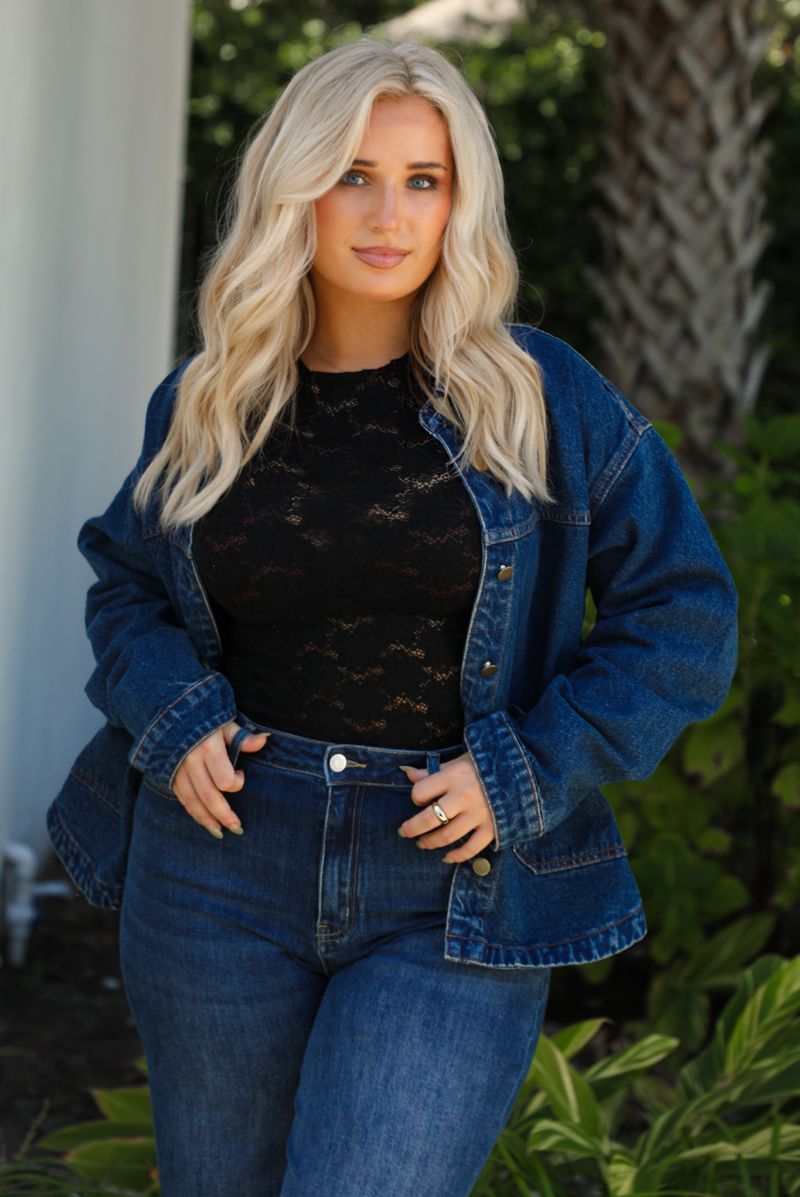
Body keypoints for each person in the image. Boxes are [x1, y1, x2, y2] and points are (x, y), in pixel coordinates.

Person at [48, 36, 738, 1197]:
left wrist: (525, 771)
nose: (387, 212)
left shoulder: (541, 398)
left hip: (449, 880)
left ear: (460, 203)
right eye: (352, 173)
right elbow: (125, 582)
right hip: (216, 867)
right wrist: (171, 713)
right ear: (293, 190)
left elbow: (685, 612)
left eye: (424, 180)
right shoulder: (209, 400)